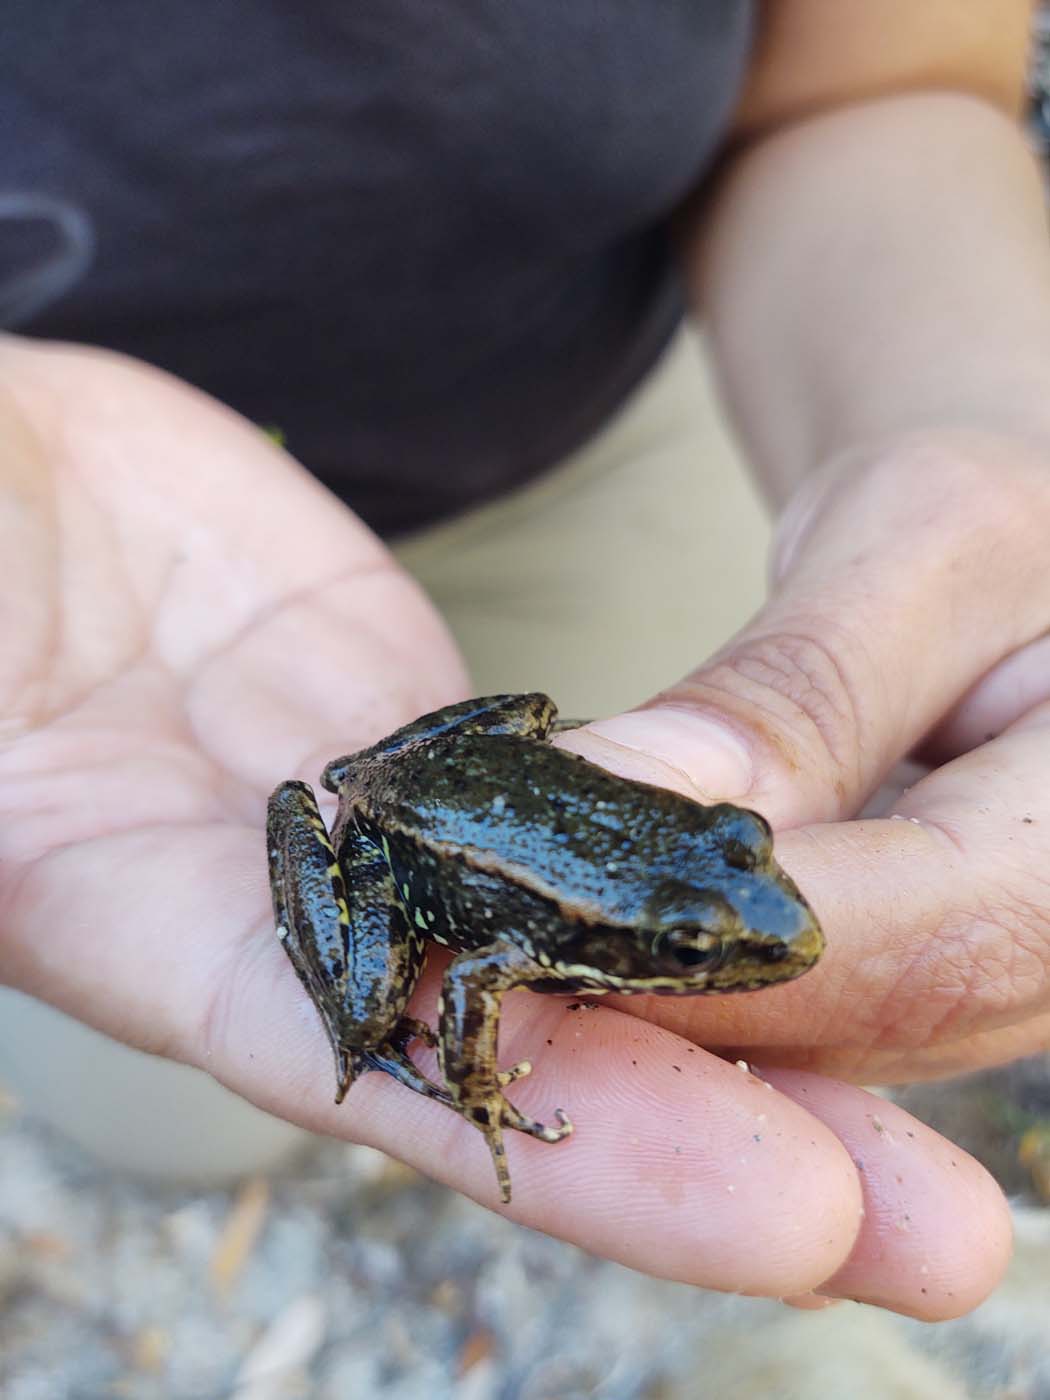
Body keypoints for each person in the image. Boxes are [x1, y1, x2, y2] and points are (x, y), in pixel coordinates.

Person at [0, 0, 1045, 1319]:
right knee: (253, 1073)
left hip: (580, 416)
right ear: (633, 947)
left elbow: (887, 83)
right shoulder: (529, 949)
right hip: (134, 610)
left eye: (727, 870)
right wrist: (472, 1080)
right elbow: (483, 974)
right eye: (685, 942)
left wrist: (988, 437)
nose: (757, 919)